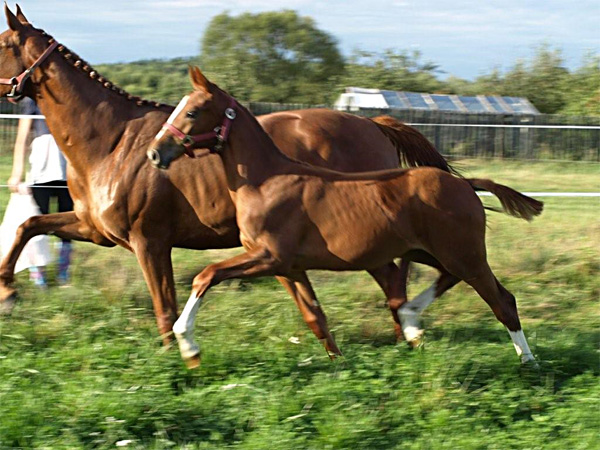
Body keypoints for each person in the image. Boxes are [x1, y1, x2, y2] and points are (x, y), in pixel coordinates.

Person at [7, 97, 73, 287]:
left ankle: (63, 275)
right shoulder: (31, 101)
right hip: (40, 173)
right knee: (37, 225)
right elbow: (22, 139)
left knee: (67, 225)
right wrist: (16, 173)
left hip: (67, 173)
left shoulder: (67, 97)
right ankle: (39, 275)